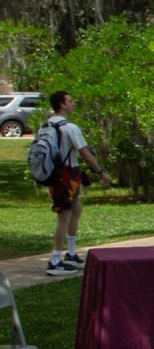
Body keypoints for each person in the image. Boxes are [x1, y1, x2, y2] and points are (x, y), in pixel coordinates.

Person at [43, 91, 112, 276]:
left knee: (76, 210)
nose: (73, 104)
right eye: (70, 101)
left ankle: (72, 254)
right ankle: (55, 260)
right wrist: (101, 172)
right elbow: (86, 153)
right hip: (66, 177)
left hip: (55, 176)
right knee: (63, 216)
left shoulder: (47, 125)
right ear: (62, 104)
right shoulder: (70, 127)